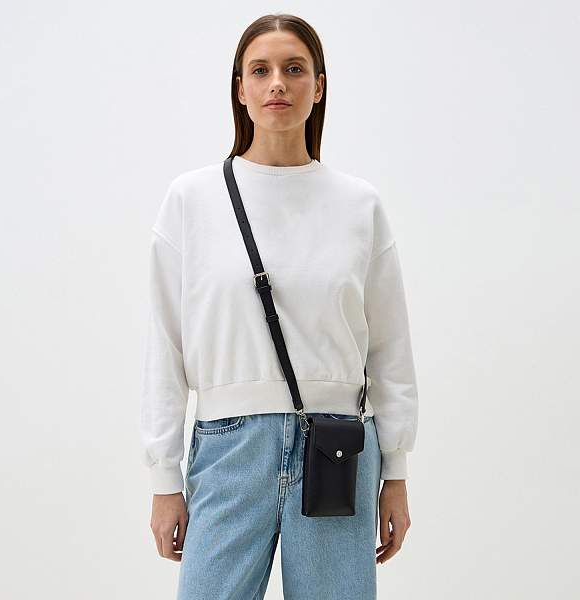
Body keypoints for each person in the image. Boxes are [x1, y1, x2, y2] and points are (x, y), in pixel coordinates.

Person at [140, 13, 418, 600]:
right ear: (240, 89)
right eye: (260, 70)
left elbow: (390, 349)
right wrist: (165, 478)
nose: (277, 85)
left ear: (319, 86)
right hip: (228, 446)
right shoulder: (192, 199)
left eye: (294, 69)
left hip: (338, 447)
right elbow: (164, 345)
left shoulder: (358, 204)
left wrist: (395, 472)